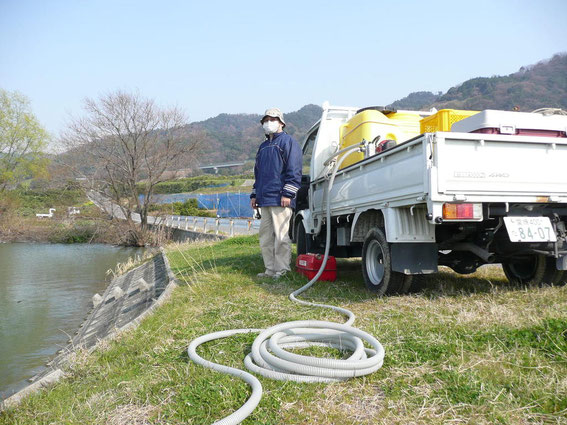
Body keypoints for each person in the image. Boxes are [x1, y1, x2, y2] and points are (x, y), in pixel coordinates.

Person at [250, 108, 302, 279]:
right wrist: (254, 195)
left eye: (273, 119)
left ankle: (282, 270)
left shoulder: (288, 142)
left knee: (281, 236)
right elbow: (258, 173)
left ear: (281, 122)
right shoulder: (263, 146)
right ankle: (270, 269)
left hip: (281, 197)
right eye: (266, 120)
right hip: (264, 199)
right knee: (265, 236)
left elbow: (294, 170)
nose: (268, 122)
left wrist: (288, 193)